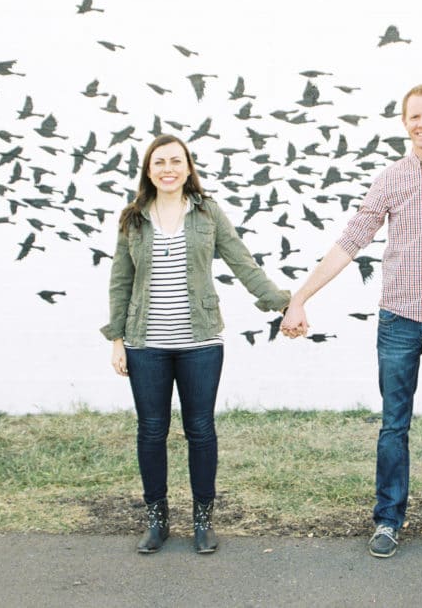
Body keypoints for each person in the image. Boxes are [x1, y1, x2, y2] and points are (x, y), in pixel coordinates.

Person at [281, 84, 422, 562]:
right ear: (405, 123)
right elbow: (350, 241)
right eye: (414, 117)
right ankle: (387, 519)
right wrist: (300, 296)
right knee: (392, 426)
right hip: (398, 319)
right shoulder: (390, 179)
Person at [101, 134, 291, 554]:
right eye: (159, 163)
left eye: (176, 161)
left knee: (200, 429)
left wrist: (283, 304)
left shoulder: (208, 213)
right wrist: (117, 338)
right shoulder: (133, 218)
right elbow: (120, 281)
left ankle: (203, 519)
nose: (167, 169)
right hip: (145, 343)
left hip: (200, 341)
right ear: (149, 172)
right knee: (151, 431)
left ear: (188, 168)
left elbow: (242, 261)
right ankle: (157, 519)